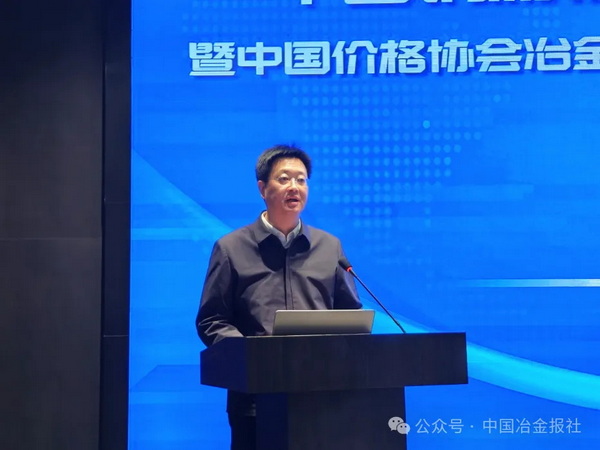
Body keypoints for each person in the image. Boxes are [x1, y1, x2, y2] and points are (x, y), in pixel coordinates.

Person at [195, 144, 362, 450]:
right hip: (254, 398)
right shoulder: (231, 248)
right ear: (262, 188)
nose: (294, 187)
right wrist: (249, 354)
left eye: (301, 180)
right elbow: (212, 320)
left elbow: (351, 317)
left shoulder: (330, 248)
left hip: (320, 395)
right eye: (284, 179)